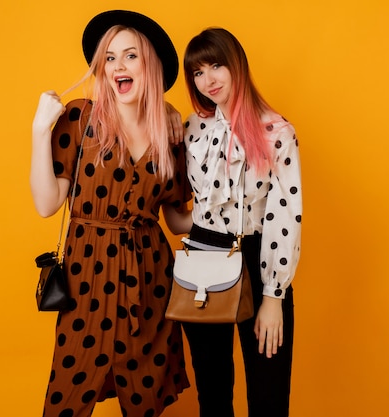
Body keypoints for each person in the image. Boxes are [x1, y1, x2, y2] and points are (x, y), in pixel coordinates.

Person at [30, 10, 192, 417]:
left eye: (131, 56)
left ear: (150, 65)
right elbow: (47, 204)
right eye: (110, 57)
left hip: (151, 283)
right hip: (88, 279)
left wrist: (230, 211)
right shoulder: (80, 118)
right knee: (68, 396)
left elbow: (176, 221)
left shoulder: (169, 134)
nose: (119, 66)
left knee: (145, 399)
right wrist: (38, 133)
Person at [175, 28, 302, 417]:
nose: (207, 80)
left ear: (237, 66)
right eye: (197, 72)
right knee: (212, 394)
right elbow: (186, 206)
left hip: (258, 258)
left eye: (216, 66)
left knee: (268, 396)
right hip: (202, 256)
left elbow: (286, 213)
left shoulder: (276, 131)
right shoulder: (192, 129)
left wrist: (273, 296)